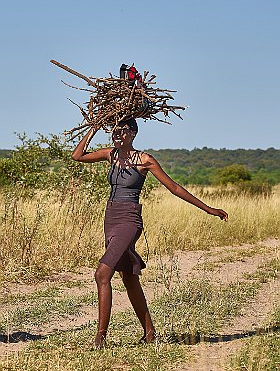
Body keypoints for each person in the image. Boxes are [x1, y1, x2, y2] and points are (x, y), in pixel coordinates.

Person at [72, 118, 228, 348]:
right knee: (129, 277)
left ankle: (100, 338)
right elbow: (78, 155)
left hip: (129, 220)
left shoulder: (145, 160)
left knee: (102, 274)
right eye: (114, 129)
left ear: (133, 133)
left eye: (123, 130)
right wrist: (94, 128)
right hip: (111, 218)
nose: (117, 134)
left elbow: (174, 188)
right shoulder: (111, 155)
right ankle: (150, 333)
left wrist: (209, 209)